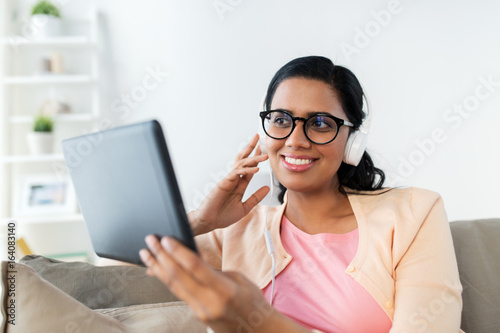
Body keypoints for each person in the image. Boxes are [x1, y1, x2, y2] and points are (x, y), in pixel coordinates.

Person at [139, 56, 463, 333]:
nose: (295, 140)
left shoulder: (414, 213)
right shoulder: (240, 229)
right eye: (281, 120)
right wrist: (201, 220)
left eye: (320, 123)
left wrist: (263, 322)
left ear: (352, 141)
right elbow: (117, 257)